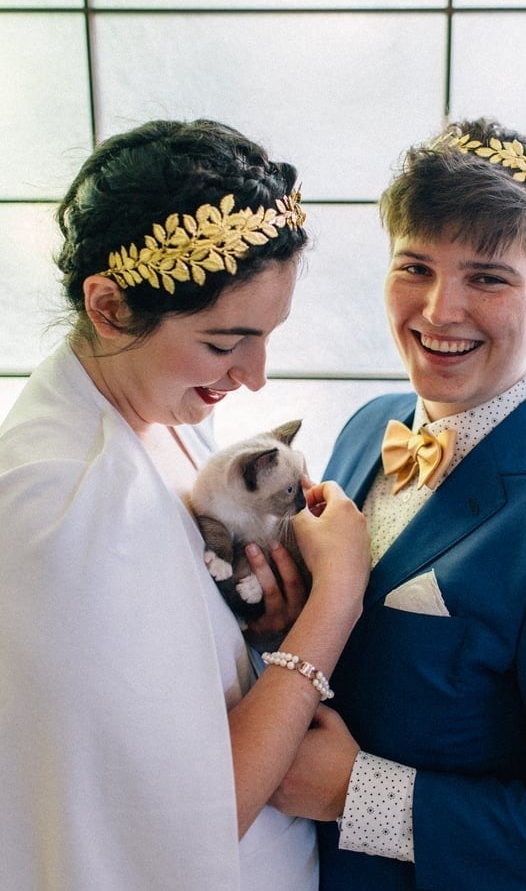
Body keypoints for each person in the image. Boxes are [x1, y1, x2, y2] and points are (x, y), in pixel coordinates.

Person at [272, 118, 526, 890]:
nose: (436, 310)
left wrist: (353, 793)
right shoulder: (370, 426)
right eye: (413, 266)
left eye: (486, 278)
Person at [0, 119, 370, 891]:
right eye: (222, 341)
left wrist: (260, 624)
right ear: (106, 305)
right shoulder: (69, 503)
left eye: (268, 335)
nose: (255, 376)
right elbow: (188, 819)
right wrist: (332, 605)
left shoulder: (150, 414)